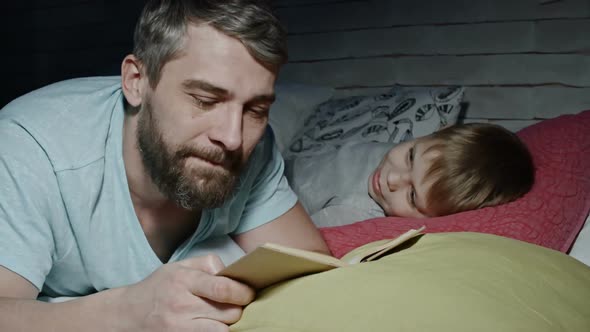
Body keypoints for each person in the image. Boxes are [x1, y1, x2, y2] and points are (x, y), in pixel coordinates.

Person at [0, 0, 329, 331]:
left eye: (255, 110)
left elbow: (310, 269)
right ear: (136, 80)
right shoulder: (30, 147)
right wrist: (128, 312)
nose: (232, 138)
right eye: (205, 100)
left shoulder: (252, 146)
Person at [285, 123, 535, 227]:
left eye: (413, 195)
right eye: (410, 157)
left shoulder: (355, 212)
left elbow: (289, 237)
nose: (392, 179)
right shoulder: (404, 157)